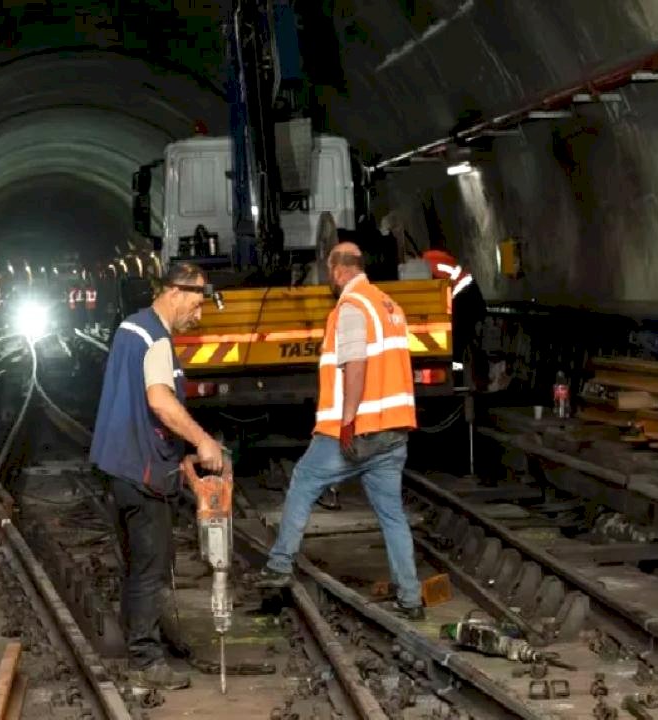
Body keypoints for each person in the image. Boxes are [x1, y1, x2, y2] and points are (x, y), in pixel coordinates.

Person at [256, 242, 424, 621]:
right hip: (394, 432)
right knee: (392, 515)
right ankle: (410, 598)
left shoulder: (351, 307)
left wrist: (348, 421)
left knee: (303, 481)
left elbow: (356, 366)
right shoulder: (388, 305)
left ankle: (280, 566)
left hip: (356, 431)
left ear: (337, 270)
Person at [89, 261, 223, 691]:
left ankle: (142, 640)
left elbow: (139, 407)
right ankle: (145, 661)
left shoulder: (130, 329)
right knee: (152, 566)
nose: (198, 314)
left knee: (136, 564)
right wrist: (203, 442)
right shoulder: (157, 340)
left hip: (119, 466)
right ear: (175, 292)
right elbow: (160, 402)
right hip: (141, 472)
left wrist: (181, 461)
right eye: (197, 302)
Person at [421, 247, 487, 387]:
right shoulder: (434, 261)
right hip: (470, 295)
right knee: (464, 341)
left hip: (465, 299)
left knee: (458, 343)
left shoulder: (427, 268)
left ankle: (460, 379)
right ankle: (469, 377)